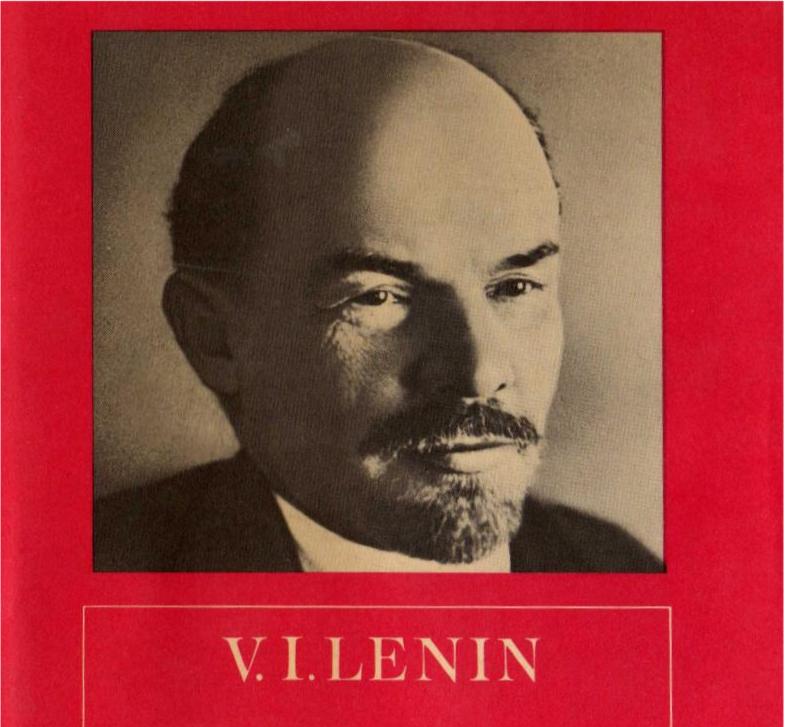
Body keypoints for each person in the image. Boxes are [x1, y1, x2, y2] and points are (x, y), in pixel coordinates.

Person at [94, 36, 662, 573]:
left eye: (513, 287)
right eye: (378, 296)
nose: (480, 372)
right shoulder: (89, 579)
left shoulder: (624, 575)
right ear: (214, 337)